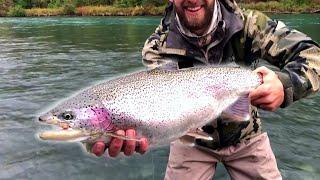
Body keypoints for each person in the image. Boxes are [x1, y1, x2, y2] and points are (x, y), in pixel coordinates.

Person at [90, 0, 320, 179]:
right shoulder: (157, 47)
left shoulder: (250, 26)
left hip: (246, 136)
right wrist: (133, 129)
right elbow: (156, 110)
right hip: (189, 140)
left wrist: (286, 84)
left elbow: (313, 55)